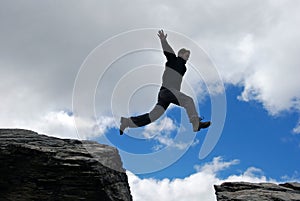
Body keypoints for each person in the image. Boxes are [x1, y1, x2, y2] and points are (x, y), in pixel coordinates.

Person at [119, 30, 211, 135]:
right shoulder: (173, 60)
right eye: (186, 55)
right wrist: (163, 41)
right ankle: (196, 122)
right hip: (168, 91)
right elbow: (168, 51)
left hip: (165, 95)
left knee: (152, 116)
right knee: (188, 101)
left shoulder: (183, 68)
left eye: (188, 56)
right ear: (180, 54)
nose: (188, 58)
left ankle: (127, 122)